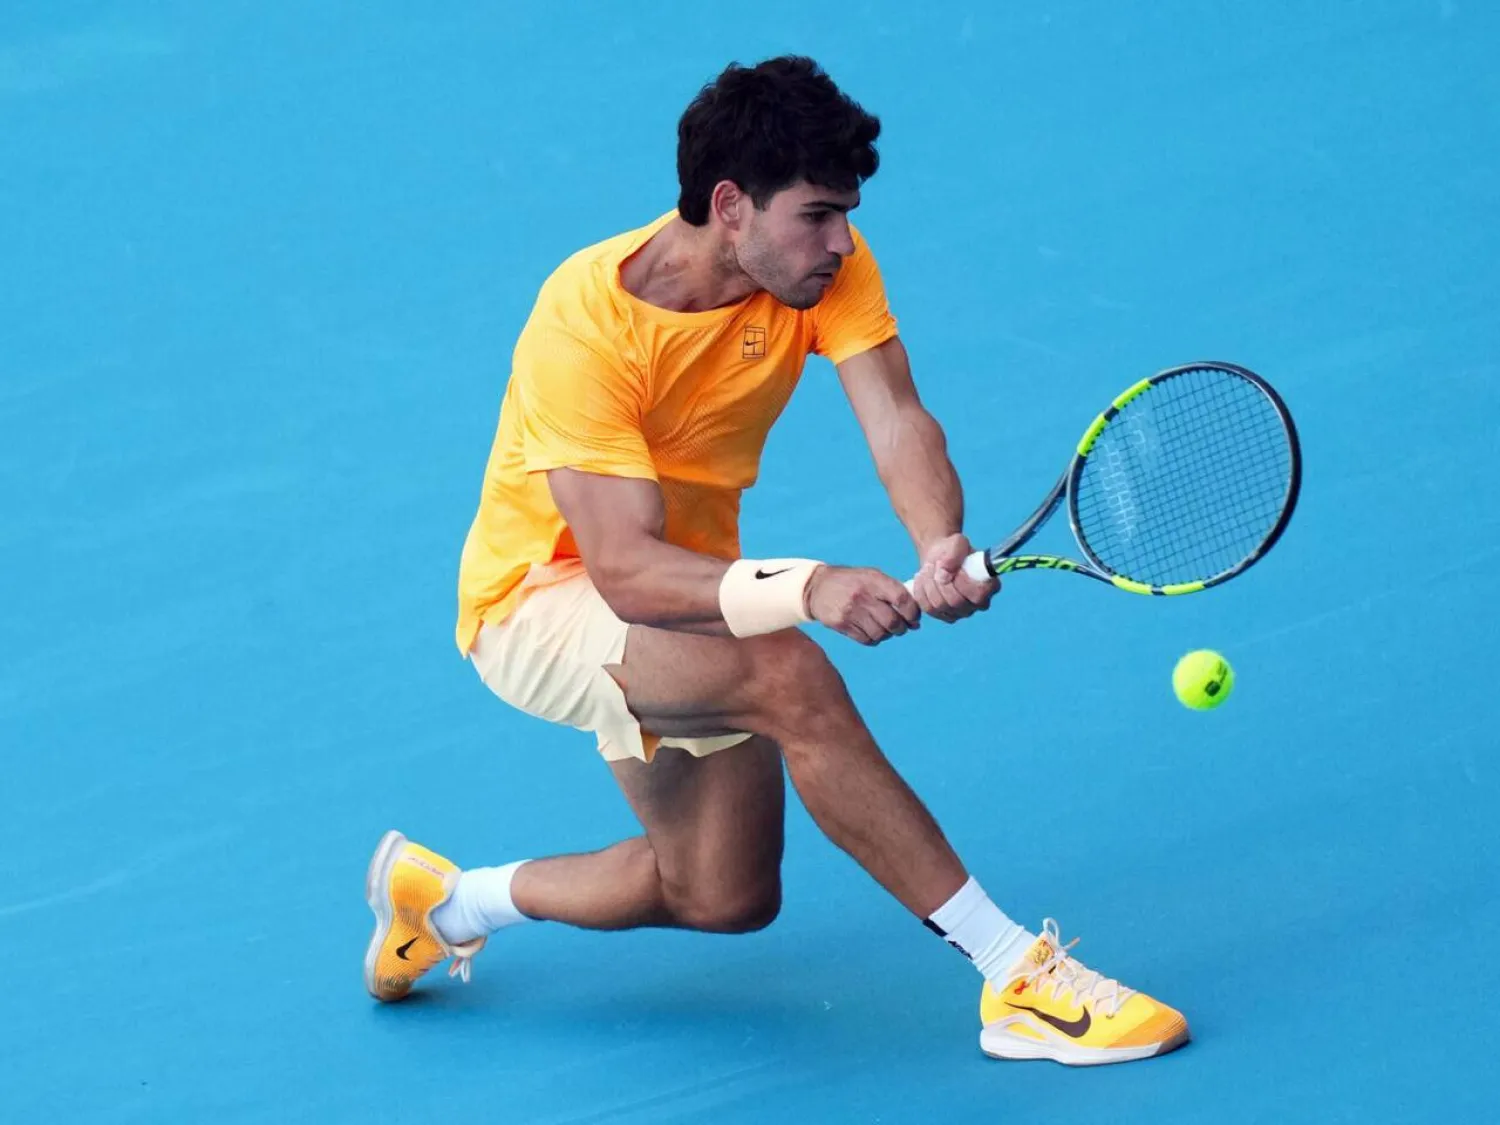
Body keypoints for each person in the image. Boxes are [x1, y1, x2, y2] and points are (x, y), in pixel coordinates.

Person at [362, 55, 1188, 1066]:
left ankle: (447, 904)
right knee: (791, 674)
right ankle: (1016, 975)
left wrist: (937, 542)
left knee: (720, 893)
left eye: (847, 214)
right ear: (730, 206)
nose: (841, 240)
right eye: (818, 215)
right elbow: (621, 570)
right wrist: (809, 588)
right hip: (538, 605)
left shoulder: (820, 269)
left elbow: (895, 417)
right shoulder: (583, 326)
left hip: (689, 591)